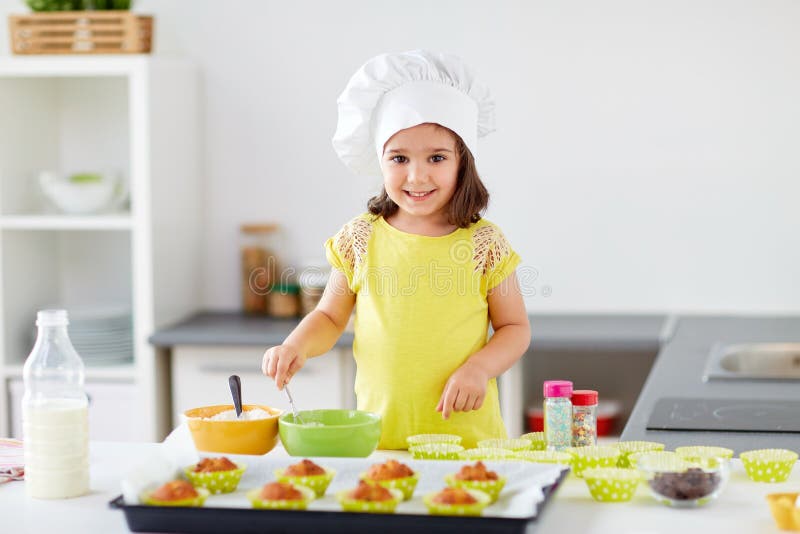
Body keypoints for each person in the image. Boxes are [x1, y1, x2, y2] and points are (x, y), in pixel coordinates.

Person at [262, 50, 531, 449]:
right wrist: (296, 345)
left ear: (463, 164)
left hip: (468, 444)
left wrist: (479, 369)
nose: (416, 175)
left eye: (436, 158)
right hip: (381, 442)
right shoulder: (360, 239)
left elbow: (515, 328)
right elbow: (330, 318)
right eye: (399, 158)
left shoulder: (484, 244)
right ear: (380, 161)